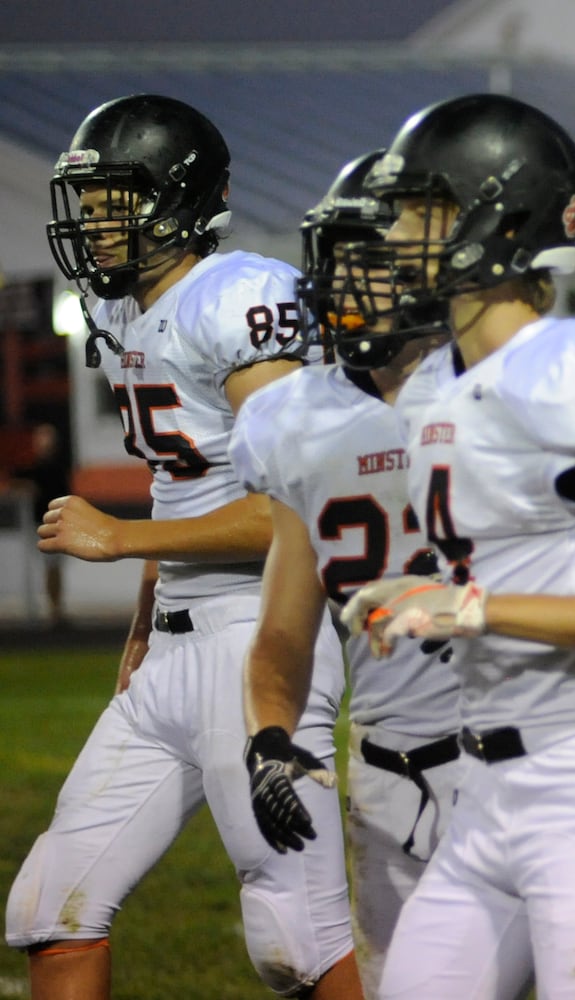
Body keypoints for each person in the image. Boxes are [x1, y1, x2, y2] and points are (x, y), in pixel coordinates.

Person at [335, 93, 575, 1000]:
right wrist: (427, 585)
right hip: (484, 784)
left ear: (496, 220)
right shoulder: (435, 381)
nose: (397, 235)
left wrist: (477, 609)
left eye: (421, 209)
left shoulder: (573, 370)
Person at [5, 93, 361, 998]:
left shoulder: (238, 296)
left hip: (259, 641)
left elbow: (299, 504)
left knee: (296, 938)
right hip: (174, 644)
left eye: (114, 204)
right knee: (53, 909)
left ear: (179, 199)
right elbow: (187, 480)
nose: (94, 226)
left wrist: (123, 539)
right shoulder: (125, 307)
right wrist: (146, 612)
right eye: (87, 206)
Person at [228, 151, 464, 997]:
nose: (346, 286)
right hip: (389, 772)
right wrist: (268, 741)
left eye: (373, 264)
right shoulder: (292, 417)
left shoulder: (507, 388)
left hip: (524, 755)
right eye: (340, 263)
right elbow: (284, 630)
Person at [14, 423, 70, 627]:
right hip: (40, 523)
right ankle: (53, 609)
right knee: (49, 568)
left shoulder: (56, 468)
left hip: (53, 524)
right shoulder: (35, 468)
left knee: (53, 568)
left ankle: (54, 609)